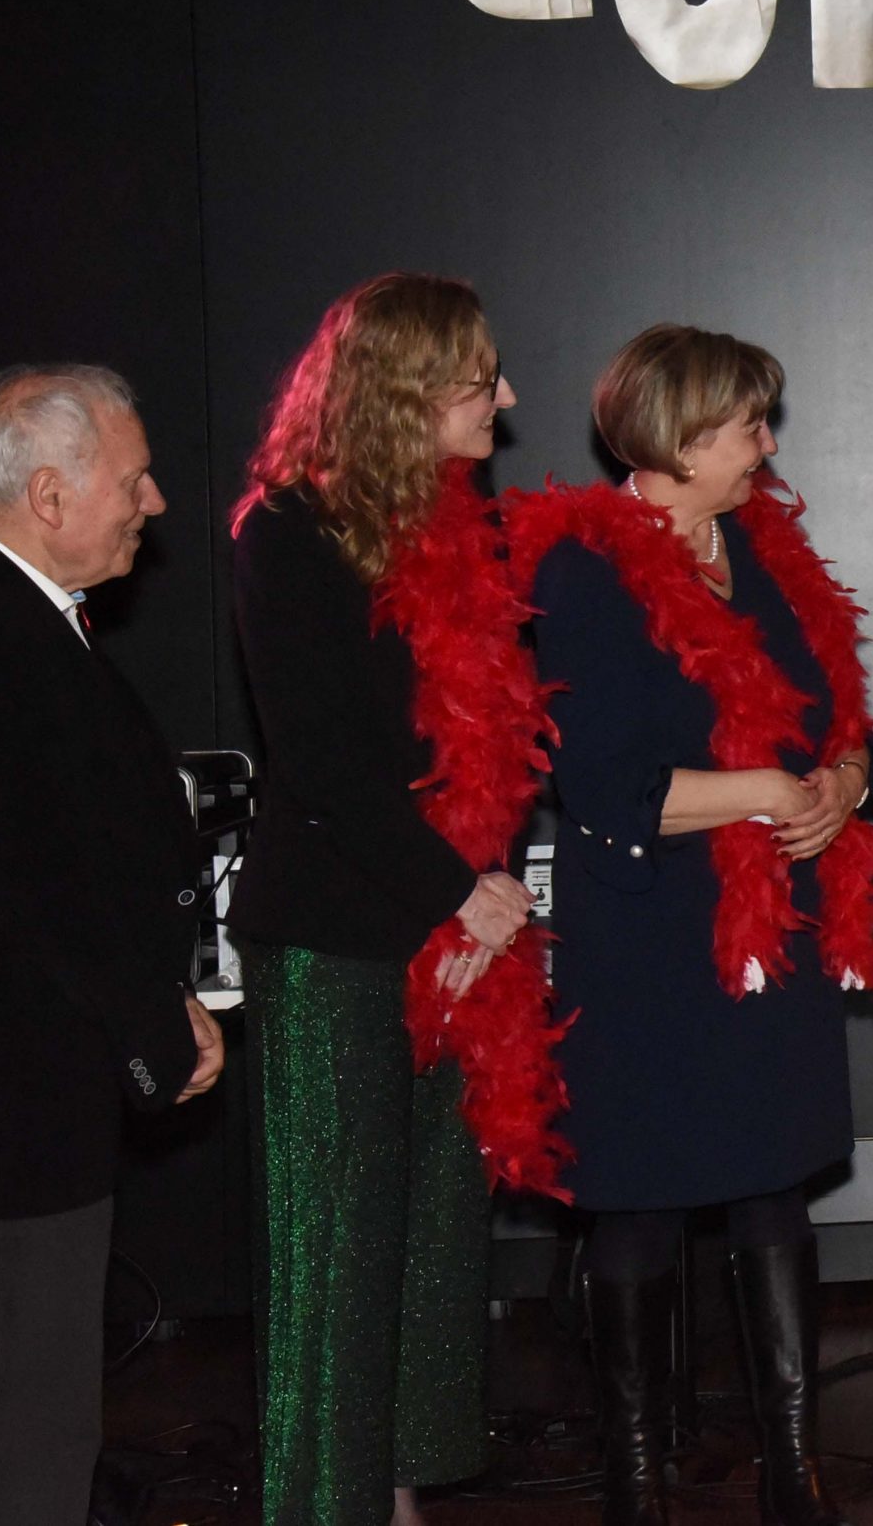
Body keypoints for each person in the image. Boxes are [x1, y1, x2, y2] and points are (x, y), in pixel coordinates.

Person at [518, 325, 873, 1526]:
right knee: (635, 1201)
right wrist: (766, 791)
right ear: (681, 439)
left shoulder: (768, 550)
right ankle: (635, 1486)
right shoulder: (583, 569)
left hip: (769, 934)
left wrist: (844, 783)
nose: (767, 447)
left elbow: (847, 725)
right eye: (748, 426)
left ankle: (794, 1472)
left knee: (774, 1185)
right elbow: (601, 787)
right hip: (647, 939)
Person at [230, 273, 561, 1525]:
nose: (507, 399)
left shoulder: (469, 529)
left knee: (430, 1245)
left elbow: (501, 737)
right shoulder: (287, 532)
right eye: (482, 380)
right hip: (336, 938)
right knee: (340, 1248)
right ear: (407, 393)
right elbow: (322, 765)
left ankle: (403, 1495)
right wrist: (453, 894)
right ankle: (331, 1507)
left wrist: (479, 896)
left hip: (452, 936)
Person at [0, 364, 224, 1518]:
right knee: (31, 1422)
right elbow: (31, 893)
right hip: (16, 1114)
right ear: (49, 496)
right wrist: (151, 1028)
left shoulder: (28, 622)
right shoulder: (2, 641)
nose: (155, 502)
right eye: (134, 480)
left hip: (28, 1098)